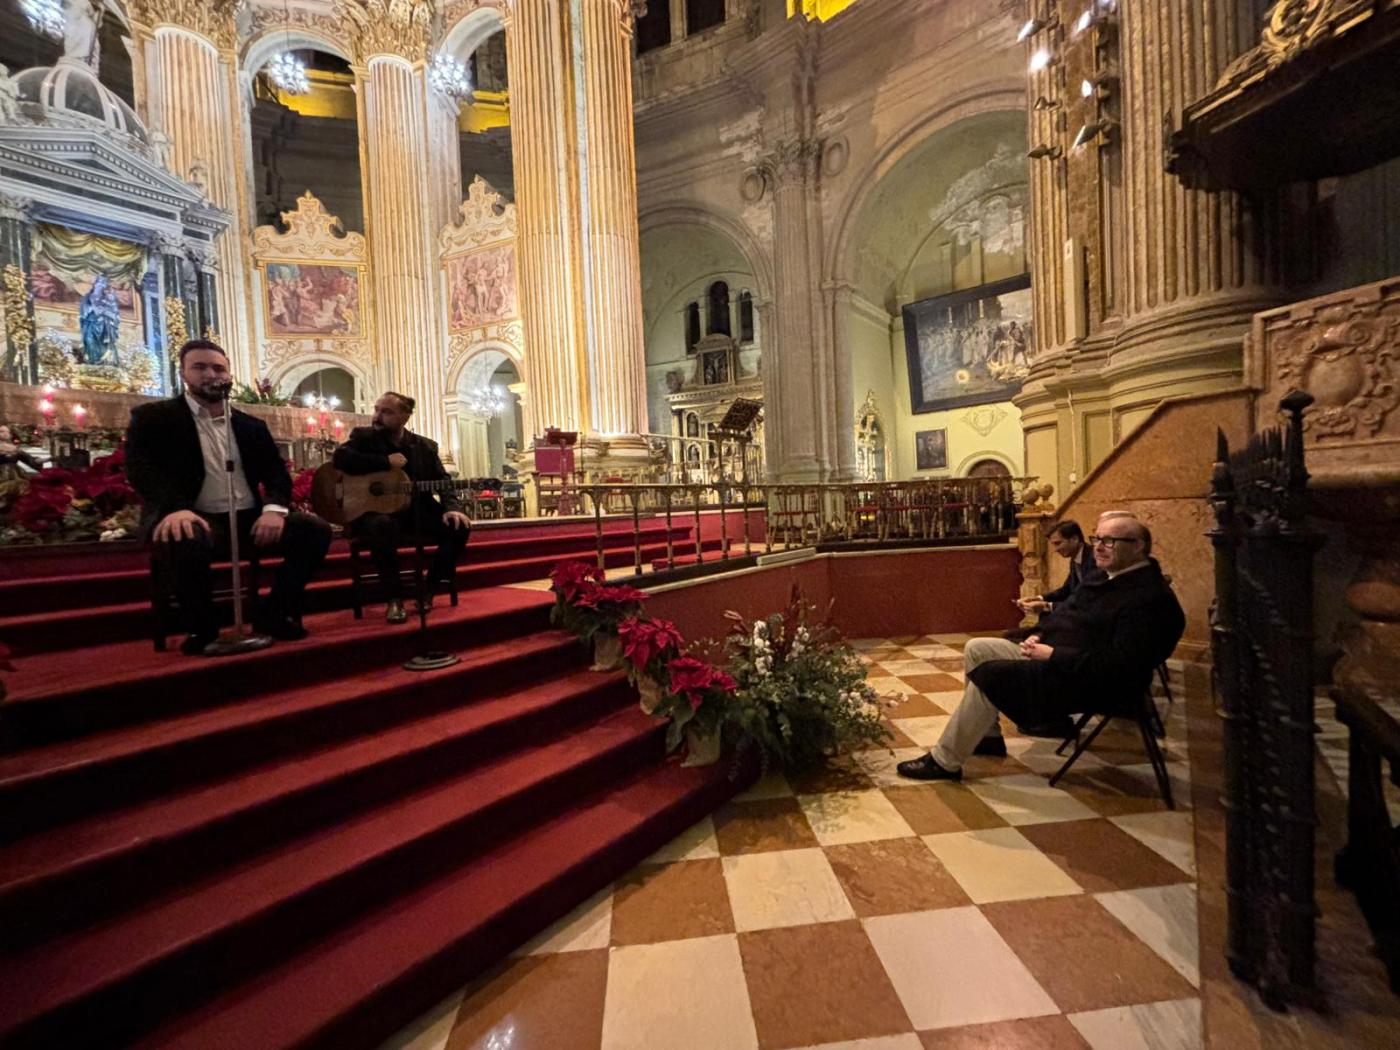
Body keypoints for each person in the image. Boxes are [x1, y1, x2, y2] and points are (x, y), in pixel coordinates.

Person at [897, 515, 1185, 781]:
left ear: (1139, 546)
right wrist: (1039, 635)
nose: (1098, 547)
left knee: (992, 674)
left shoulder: (1149, 598)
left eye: (1109, 541)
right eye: (1097, 538)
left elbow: (1121, 665)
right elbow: (1067, 615)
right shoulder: (1103, 576)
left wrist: (1053, 653)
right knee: (978, 648)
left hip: (1091, 682)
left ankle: (944, 762)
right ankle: (988, 737)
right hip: (1059, 660)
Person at [125, 339, 332, 655]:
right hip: (193, 515)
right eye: (200, 367)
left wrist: (274, 510)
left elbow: (276, 473)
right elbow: (141, 470)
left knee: (314, 531)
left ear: (229, 374)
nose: (211, 374)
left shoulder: (251, 426)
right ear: (183, 374)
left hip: (248, 519)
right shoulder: (154, 418)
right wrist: (174, 508)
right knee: (184, 536)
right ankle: (203, 629)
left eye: (218, 368)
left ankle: (274, 613)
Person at [333, 392, 471, 624]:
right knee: (382, 526)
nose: (377, 416)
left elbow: (443, 480)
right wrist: (384, 461)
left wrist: (452, 507)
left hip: (416, 512)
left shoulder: (424, 447)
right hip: (373, 513)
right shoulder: (363, 438)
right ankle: (394, 597)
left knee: (459, 527)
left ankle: (428, 589)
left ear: (404, 417)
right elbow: (340, 459)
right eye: (376, 410)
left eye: (386, 412)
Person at [1017, 520, 1095, 617]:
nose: (1056, 549)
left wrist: (1047, 606)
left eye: (1058, 543)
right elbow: (1066, 590)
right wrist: (1039, 598)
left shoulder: (1095, 558)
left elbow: (1088, 597)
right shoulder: (1075, 558)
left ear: (1074, 539)